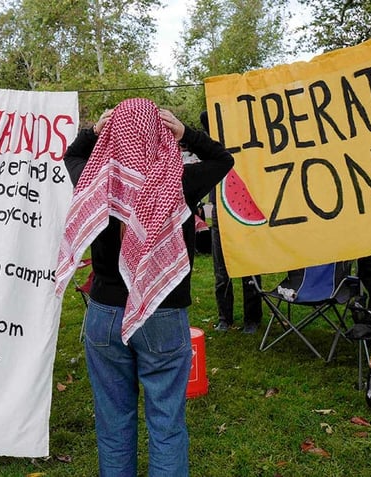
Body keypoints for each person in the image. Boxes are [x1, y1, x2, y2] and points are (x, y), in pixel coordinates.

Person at [56, 99, 233, 476]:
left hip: (104, 314)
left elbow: (71, 153)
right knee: (166, 424)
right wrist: (187, 134)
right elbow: (223, 159)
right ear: (160, 131)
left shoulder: (94, 178)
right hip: (163, 313)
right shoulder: (180, 180)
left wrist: (94, 132)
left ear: (113, 135)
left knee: (113, 423)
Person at [200, 112, 263, 334]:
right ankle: (224, 318)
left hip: (245, 209)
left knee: (250, 266)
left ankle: (252, 319)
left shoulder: (245, 140)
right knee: (221, 270)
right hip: (219, 208)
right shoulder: (211, 145)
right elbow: (205, 115)